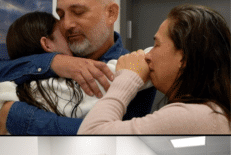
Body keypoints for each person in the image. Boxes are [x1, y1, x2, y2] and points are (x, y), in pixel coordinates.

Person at [0, 0, 156, 135]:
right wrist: (54, 62)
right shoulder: (58, 55)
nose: (66, 24)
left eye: (78, 12)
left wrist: (14, 116)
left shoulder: (135, 69)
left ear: (111, 13)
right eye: (61, 15)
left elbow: (111, 134)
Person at [78, 4, 231, 134]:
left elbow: (89, 132)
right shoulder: (211, 112)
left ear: (184, 58)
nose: (148, 55)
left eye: (157, 45)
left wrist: (127, 78)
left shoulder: (194, 116)